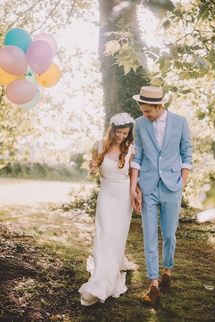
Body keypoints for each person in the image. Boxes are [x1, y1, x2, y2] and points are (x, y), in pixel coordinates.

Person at [130, 86, 192, 306]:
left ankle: (167, 272)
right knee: (149, 236)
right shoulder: (139, 124)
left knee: (168, 234)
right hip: (147, 186)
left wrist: (181, 184)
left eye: (148, 111)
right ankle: (154, 285)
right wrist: (133, 185)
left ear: (159, 106)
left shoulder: (180, 122)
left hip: (172, 186)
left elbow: (187, 155)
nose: (145, 115)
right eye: (143, 111)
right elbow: (137, 155)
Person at [79, 112, 136, 306]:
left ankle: (112, 267)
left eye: (125, 133)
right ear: (112, 131)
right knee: (103, 232)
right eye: (118, 132)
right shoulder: (98, 145)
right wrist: (93, 168)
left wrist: (136, 194)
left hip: (123, 197)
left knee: (117, 235)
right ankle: (102, 272)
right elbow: (94, 170)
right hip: (106, 194)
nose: (121, 136)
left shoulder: (131, 149)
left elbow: (135, 176)